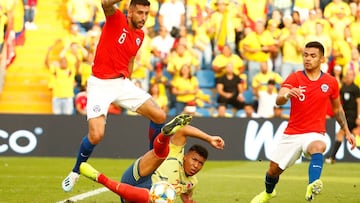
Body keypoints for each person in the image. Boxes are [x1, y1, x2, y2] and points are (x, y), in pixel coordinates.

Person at [61, 0, 172, 192]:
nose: (143, 18)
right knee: (96, 135)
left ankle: (149, 161)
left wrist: (128, 80)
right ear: (129, 12)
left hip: (121, 84)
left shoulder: (140, 35)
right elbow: (105, 3)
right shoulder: (116, 19)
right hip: (99, 84)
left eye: (146, 13)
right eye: (139, 13)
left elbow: (130, 58)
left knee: (160, 116)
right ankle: (75, 171)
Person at [250, 41, 356, 203]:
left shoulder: (331, 82)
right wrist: (287, 95)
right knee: (273, 171)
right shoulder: (295, 77)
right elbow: (278, 100)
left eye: (313, 56)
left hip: (315, 133)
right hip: (292, 133)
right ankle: (268, 193)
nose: (308, 59)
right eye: (305, 55)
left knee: (318, 147)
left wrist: (347, 131)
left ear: (322, 59)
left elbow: (337, 109)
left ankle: (312, 184)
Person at [80, 123, 224, 203]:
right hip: (138, 176)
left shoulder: (192, 183)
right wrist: (209, 138)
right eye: (194, 160)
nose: (196, 166)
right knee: (161, 154)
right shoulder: (177, 153)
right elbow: (184, 129)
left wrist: (188, 202)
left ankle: (100, 178)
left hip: (137, 197)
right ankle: (164, 134)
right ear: (186, 156)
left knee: (156, 199)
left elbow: (186, 196)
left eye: (200, 163)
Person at [326, 69, 360, 164]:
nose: (348, 76)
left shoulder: (355, 88)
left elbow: (358, 102)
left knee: (341, 133)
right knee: (350, 133)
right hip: (345, 114)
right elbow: (338, 103)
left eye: (350, 75)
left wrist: (358, 116)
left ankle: (332, 156)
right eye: (347, 74)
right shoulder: (343, 88)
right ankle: (332, 157)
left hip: (352, 114)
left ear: (353, 77)